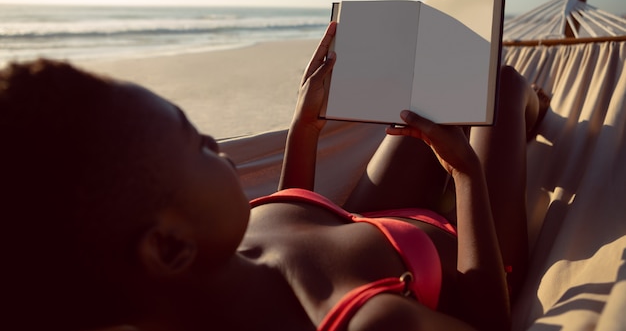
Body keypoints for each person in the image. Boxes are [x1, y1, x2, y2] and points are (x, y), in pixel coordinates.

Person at [1, 22, 549, 331]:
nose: (216, 143)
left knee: (434, 104)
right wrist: (467, 175)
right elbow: (486, 327)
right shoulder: (363, 321)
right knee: (497, 85)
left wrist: (302, 130)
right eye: (197, 144)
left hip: (370, 220)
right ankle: (531, 108)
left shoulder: (220, 246)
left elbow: (295, 209)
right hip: (474, 258)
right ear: (168, 247)